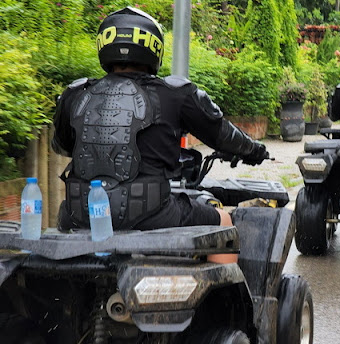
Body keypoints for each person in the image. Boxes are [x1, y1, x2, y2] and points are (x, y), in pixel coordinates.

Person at [52, 7, 268, 262]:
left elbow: (62, 146)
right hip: (153, 215)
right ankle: (229, 302)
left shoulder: (75, 94)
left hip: (79, 215)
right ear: (153, 47)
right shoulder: (176, 93)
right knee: (222, 220)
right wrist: (256, 150)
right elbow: (223, 136)